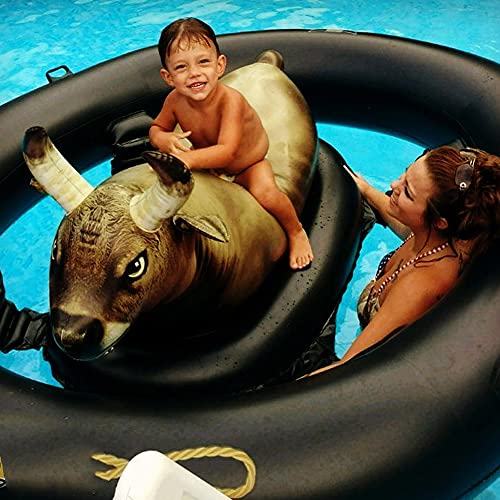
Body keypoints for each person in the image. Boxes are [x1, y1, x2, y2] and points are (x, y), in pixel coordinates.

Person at [304, 145, 500, 376]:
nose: (393, 186)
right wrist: (365, 190)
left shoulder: (418, 287)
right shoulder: (433, 239)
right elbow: (399, 219)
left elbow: (348, 371)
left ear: (439, 221)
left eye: (407, 192)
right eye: (405, 174)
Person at [148, 17, 313, 270]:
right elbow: (156, 128)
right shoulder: (174, 101)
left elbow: (227, 152)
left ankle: (296, 231)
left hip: (248, 165)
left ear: (220, 65)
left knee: (266, 194)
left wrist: (186, 159)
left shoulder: (230, 101)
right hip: (208, 164)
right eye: (181, 67)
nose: (194, 73)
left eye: (203, 62)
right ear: (168, 77)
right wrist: (163, 138)